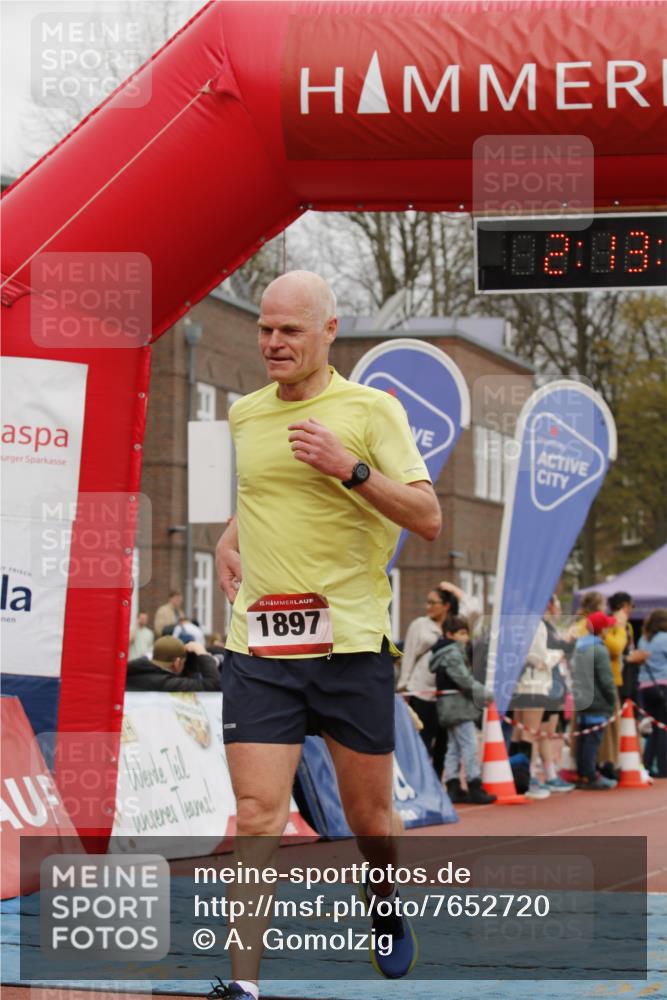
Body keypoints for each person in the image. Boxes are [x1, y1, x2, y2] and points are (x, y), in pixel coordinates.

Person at [213, 271, 441, 1000]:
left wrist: (350, 468)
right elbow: (263, 492)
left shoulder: (371, 411)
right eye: (264, 329)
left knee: (370, 819)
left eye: (290, 331)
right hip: (261, 648)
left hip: (348, 646)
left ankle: (383, 905)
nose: (273, 343)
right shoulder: (246, 414)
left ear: (328, 332)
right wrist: (228, 535)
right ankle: (242, 985)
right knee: (256, 814)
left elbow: (426, 516)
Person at [396, 582, 476, 779]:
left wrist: (453, 588)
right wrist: (403, 688)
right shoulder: (420, 625)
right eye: (427, 602)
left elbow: (475, 608)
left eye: (434, 602)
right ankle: (419, 781)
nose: (428, 606)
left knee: (444, 742)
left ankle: (438, 782)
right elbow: (409, 656)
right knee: (422, 739)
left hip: (448, 693)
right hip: (421, 689)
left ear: (446, 605)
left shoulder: (456, 623)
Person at [429, 615, 496, 804]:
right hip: (457, 707)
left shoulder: (443, 653)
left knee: (454, 747)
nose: (466, 637)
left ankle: (453, 785)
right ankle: (474, 785)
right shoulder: (453, 654)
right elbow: (464, 680)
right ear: (450, 634)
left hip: (448, 706)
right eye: (462, 633)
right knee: (469, 745)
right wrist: (485, 694)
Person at [570, 612, 618, 789]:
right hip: (597, 700)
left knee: (584, 737)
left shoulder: (579, 647)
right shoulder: (599, 649)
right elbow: (606, 680)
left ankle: (583, 773)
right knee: (593, 739)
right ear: (602, 629)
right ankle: (590, 775)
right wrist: (612, 700)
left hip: (581, 699)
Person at [125, 636, 221, 692]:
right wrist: (202, 653)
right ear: (177, 663)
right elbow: (212, 684)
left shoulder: (130, 673)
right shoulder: (165, 683)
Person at [638, 608, 667, 778]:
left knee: (654, 728)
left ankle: (647, 764)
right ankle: (664, 767)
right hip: (663, 685)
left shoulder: (643, 639)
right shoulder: (664, 638)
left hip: (645, 686)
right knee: (663, 727)